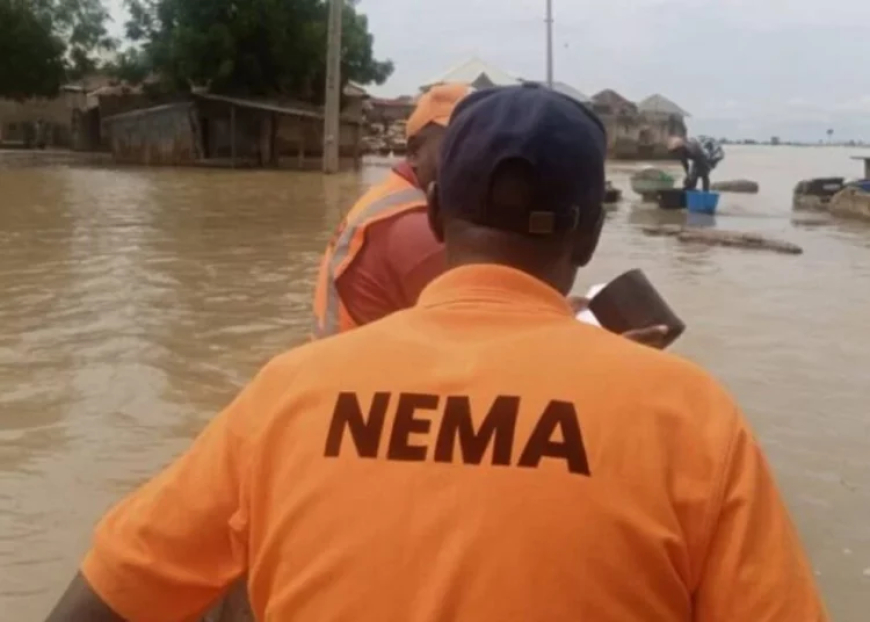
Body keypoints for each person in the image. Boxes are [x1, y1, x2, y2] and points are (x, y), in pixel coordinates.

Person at [47, 85, 827, 622]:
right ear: (590, 236)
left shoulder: (286, 395)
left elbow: (102, 603)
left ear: (437, 207)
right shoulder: (691, 419)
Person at [311, 82, 470, 338]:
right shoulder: (416, 227)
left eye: (476, 144)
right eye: (454, 145)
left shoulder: (391, 195)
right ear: (414, 152)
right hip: (359, 371)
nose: (469, 156)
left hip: (338, 363)